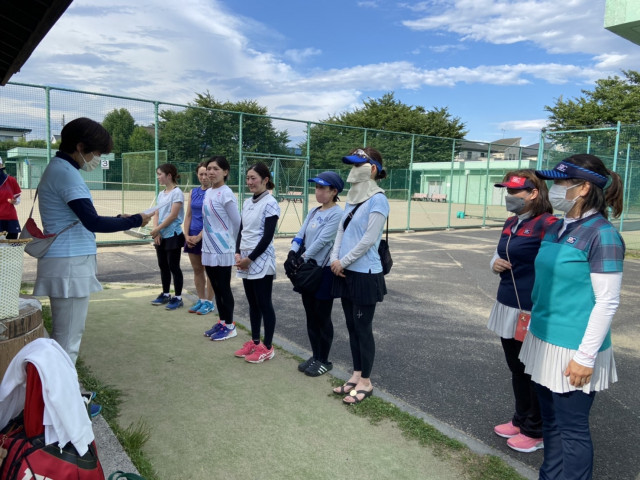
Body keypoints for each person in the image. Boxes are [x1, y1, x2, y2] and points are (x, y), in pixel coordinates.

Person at [519, 154, 625, 479]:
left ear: (583, 188)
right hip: (543, 339)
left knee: (572, 429)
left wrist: (585, 356)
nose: (554, 188)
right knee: (551, 423)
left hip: (574, 349)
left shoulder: (602, 234)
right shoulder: (556, 227)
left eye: (561, 182)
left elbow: (607, 302)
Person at [32, 117, 151, 365]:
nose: (97, 158)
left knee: (65, 337)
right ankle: (61, 389)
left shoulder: (60, 168)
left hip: (66, 261)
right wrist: (136, 220)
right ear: (80, 147)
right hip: (69, 264)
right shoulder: (66, 173)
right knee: (67, 340)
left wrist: (119, 219)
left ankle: (56, 386)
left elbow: (82, 217)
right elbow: (93, 222)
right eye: (96, 152)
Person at [488, 170, 558, 453]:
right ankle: (520, 419)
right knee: (517, 368)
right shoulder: (511, 222)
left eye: (515, 191)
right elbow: (500, 253)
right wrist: (494, 263)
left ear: (533, 193)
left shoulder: (549, 224)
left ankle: (536, 430)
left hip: (531, 309)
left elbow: (555, 265)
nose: (510, 196)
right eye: (507, 190)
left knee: (533, 371)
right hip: (507, 304)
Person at [330, 147, 389, 405]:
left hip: (365, 274)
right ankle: (356, 374)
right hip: (345, 272)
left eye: (358, 165)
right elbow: (341, 231)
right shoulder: (352, 198)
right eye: (351, 165)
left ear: (372, 168)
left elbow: (368, 240)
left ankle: (366, 381)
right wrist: (335, 259)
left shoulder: (378, 199)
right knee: (351, 326)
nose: (353, 170)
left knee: (363, 328)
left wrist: (342, 261)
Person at [285, 171, 344, 377]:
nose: (317, 191)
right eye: (316, 187)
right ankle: (315, 355)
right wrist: (293, 252)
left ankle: (324, 360)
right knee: (310, 315)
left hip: (323, 272)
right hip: (308, 270)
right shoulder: (313, 211)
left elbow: (323, 240)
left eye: (322, 188)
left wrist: (302, 258)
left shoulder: (337, 214)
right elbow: (301, 234)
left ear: (334, 191)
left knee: (322, 316)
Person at [233, 162, 280, 363]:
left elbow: (267, 237)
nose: (250, 182)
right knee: (253, 303)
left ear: (265, 180)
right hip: (245, 258)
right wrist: (237, 253)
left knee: (264, 303)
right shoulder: (246, 202)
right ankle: (254, 341)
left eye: (253, 178)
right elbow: (241, 230)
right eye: (248, 178)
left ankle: (267, 347)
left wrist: (250, 259)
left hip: (261, 259)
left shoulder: (271, 203)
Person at [201, 156, 241, 341]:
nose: (211, 172)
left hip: (223, 249)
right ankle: (223, 321)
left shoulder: (226, 193)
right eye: (209, 168)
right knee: (216, 287)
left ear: (225, 172)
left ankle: (230, 326)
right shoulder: (209, 192)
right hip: (208, 247)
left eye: (216, 169)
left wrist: (235, 246)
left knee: (224, 287)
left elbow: (237, 222)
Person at [150, 163, 185, 310]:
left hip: (173, 235)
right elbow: (157, 213)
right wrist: (156, 231)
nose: (158, 177)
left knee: (173, 267)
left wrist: (157, 229)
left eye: (160, 174)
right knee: (163, 266)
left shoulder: (177, 193)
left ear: (169, 175)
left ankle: (178, 297)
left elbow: (173, 215)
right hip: (161, 235)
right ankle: (165, 294)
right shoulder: (161, 193)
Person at [183, 162, 215, 315]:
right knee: (197, 270)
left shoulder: (214, 193)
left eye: (206, 174)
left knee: (210, 271)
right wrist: (187, 235)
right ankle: (201, 300)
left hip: (207, 237)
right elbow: (188, 215)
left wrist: (199, 236)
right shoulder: (193, 192)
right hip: (192, 237)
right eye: (201, 174)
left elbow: (211, 218)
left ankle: (209, 302)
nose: (204, 177)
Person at [0, 156, 21, 239]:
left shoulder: (11, 180)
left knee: (12, 245)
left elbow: (17, 199)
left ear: (1, 165)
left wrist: (15, 201)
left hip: (10, 218)